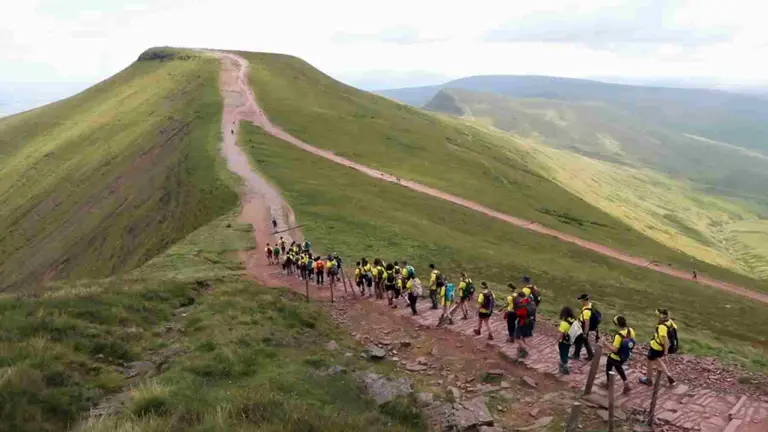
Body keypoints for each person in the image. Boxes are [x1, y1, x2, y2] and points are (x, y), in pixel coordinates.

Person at [640, 308, 677, 387]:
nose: (657, 316)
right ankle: (669, 376)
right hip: (660, 348)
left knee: (650, 361)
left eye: (658, 315)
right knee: (658, 360)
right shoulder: (670, 322)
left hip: (657, 347)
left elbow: (665, 340)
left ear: (663, 315)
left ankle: (648, 379)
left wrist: (666, 353)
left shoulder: (662, 327)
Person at [607, 315, 635, 394]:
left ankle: (608, 383)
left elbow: (614, 349)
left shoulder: (618, 336)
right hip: (626, 355)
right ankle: (626, 383)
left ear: (617, 325)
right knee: (618, 367)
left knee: (609, 364)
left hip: (617, 356)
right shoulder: (631, 330)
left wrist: (605, 344)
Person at [572, 293, 597, 361]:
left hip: (583, 328)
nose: (580, 302)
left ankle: (576, 355)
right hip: (583, 327)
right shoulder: (590, 305)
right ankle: (590, 355)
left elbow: (587, 323)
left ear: (584, 301)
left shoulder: (586, 311)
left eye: (581, 301)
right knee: (585, 341)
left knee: (578, 341)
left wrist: (585, 333)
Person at [511, 291, 533, 357]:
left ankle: (524, 350)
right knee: (523, 336)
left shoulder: (521, 304)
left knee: (517, 337)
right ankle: (521, 348)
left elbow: (519, 314)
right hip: (530, 321)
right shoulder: (529, 301)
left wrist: (516, 312)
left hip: (522, 322)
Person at [558, 306, 577, 374]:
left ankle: (564, 367)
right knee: (566, 350)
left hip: (564, 341)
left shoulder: (564, 323)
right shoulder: (573, 319)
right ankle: (563, 363)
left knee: (563, 353)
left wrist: (558, 340)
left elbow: (561, 335)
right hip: (571, 340)